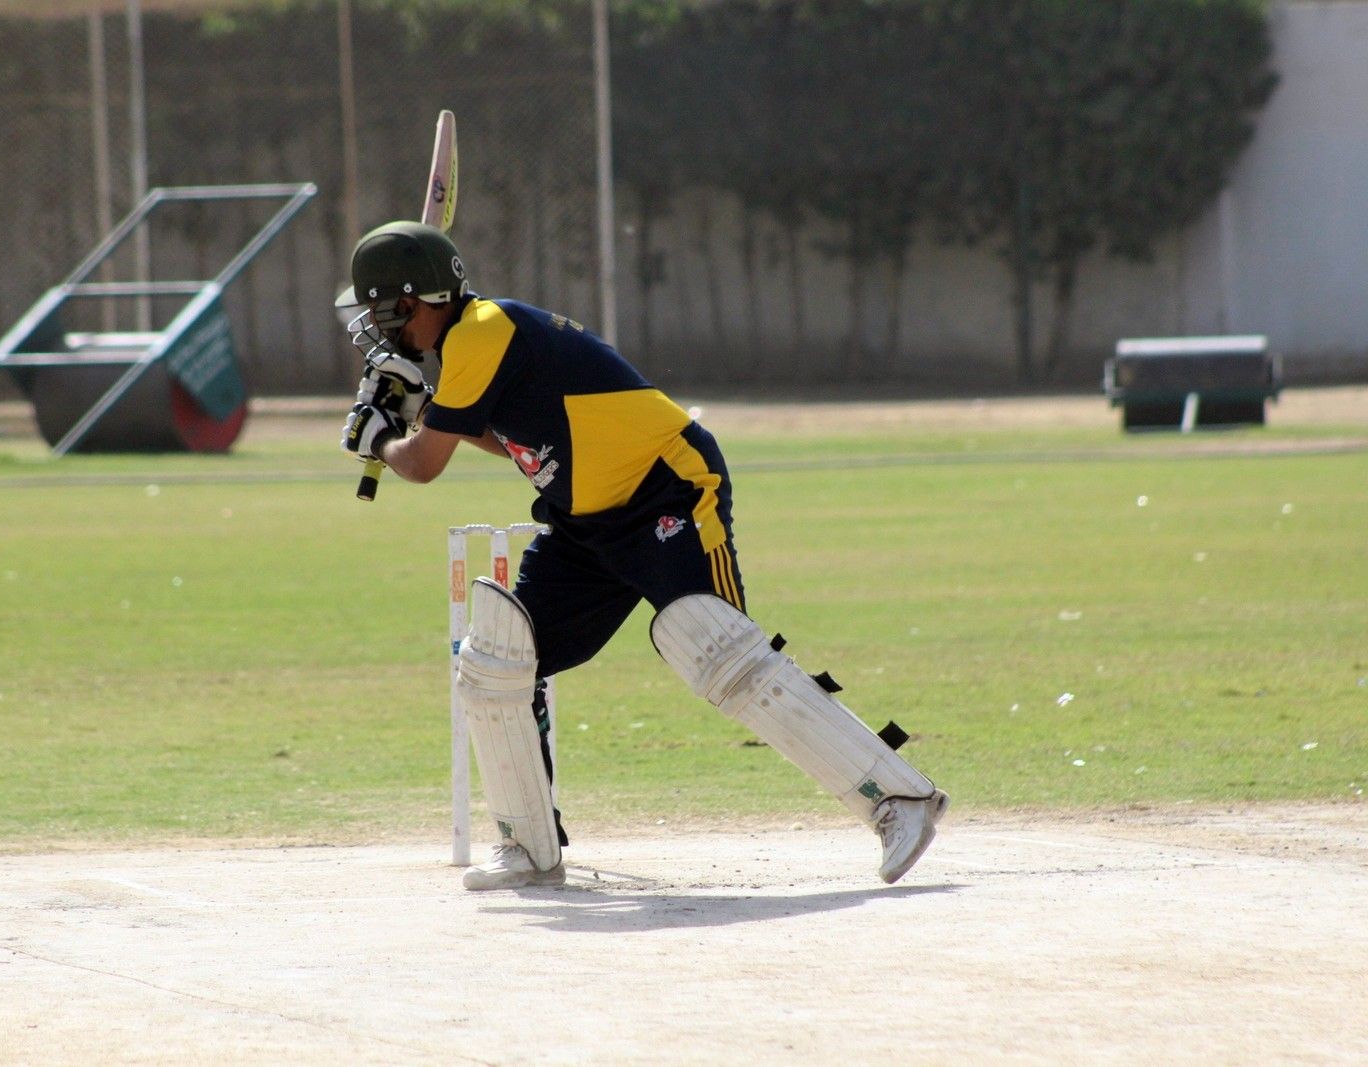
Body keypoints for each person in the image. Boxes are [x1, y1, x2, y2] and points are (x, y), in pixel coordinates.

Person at [337, 220, 948, 891]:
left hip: (667, 486)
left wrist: (382, 437)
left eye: (382, 310)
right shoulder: (472, 344)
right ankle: (530, 846)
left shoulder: (481, 330)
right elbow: (502, 437)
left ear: (410, 301)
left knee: (721, 650)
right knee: (499, 660)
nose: (378, 325)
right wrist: (421, 411)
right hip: (584, 520)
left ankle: (899, 797)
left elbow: (423, 465)